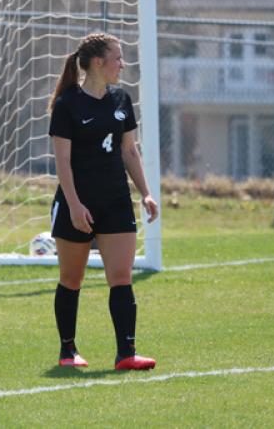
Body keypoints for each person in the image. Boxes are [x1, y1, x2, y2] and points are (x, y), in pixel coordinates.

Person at [48, 32, 159, 370]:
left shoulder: (122, 100)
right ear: (98, 62)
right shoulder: (68, 104)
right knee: (72, 278)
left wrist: (146, 192)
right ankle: (68, 351)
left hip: (115, 201)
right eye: (118, 58)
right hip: (76, 202)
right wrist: (74, 205)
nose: (122, 64)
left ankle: (126, 354)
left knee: (122, 276)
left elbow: (130, 150)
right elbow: (62, 162)